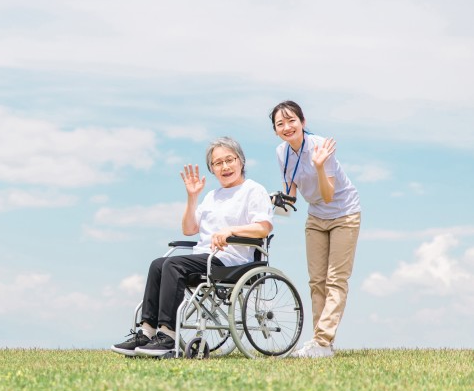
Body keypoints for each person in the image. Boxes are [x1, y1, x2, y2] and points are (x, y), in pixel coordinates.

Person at [111, 137, 274, 357]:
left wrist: (231, 231)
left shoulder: (253, 190)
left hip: (232, 260)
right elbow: (189, 229)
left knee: (173, 265)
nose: (225, 167)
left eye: (229, 160)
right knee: (158, 264)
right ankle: (147, 332)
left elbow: (263, 228)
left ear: (241, 161)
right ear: (212, 169)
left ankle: (168, 335)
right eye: (218, 163)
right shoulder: (211, 196)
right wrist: (192, 197)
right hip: (205, 258)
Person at [269, 101, 361, 358]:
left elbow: (328, 195)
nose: (287, 127)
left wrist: (320, 165)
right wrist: (273, 200)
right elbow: (291, 196)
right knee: (316, 281)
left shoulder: (320, 146)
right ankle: (322, 344)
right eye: (280, 124)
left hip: (344, 213)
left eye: (291, 121)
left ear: (303, 122)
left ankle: (322, 341)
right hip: (316, 216)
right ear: (276, 130)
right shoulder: (282, 153)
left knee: (335, 279)